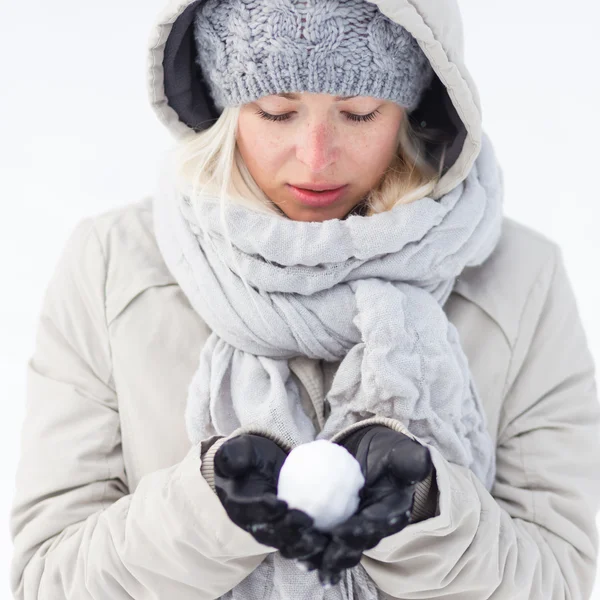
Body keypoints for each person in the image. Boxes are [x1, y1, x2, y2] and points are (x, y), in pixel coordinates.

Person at [9, 0, 600, 598]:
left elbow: (561, 579)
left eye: (360, 113)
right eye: (277, 111)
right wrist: (210, 505)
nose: (316, 157)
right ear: (224, 106)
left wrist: (425, 512)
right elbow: (49, 580)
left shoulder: (521, 278)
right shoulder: (111, 267)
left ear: (414, 108)